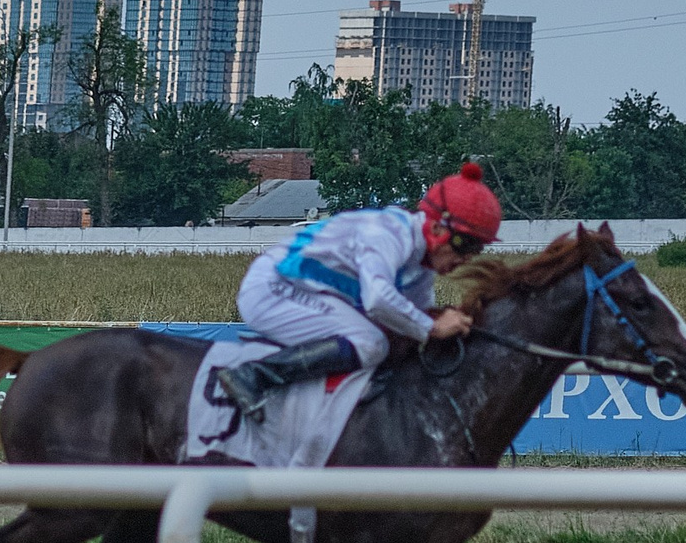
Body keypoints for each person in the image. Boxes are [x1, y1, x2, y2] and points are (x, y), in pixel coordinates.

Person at [213, 161, 501, 419]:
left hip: (305, 290)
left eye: (478, 248)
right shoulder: (389, 234)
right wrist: (433, 327)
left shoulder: (421, 269)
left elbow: (411, 318)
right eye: (466, 245)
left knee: (387, 342)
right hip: (274, 288)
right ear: (437, 228)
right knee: (370, 342)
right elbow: (378, 300)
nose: (468, 258)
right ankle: (253, 375)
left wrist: (443, 322)